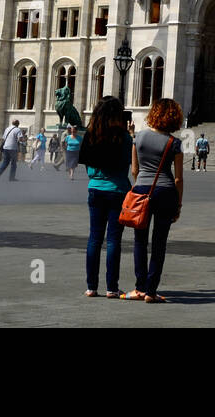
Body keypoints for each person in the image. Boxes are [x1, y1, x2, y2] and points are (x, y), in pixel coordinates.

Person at [125, 98, 185, 302]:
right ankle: (151, 291)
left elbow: (134, 170)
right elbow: (178, 178)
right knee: (159, 243)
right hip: (166, 192)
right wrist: (178, 204)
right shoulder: (174, 143)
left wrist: (141, 185)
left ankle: (139, 288)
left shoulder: (138, 137)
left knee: (140, 240)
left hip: (142, 188)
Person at [80, 97, 133, 298]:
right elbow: (128, 163)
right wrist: (129, 133)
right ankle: (112, 287)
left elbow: (87, 167)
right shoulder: (124, 138)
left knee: (94, 238)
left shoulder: (90, 135)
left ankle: (91, 286)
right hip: (118, 190)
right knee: (113, 240)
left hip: (95, 189)